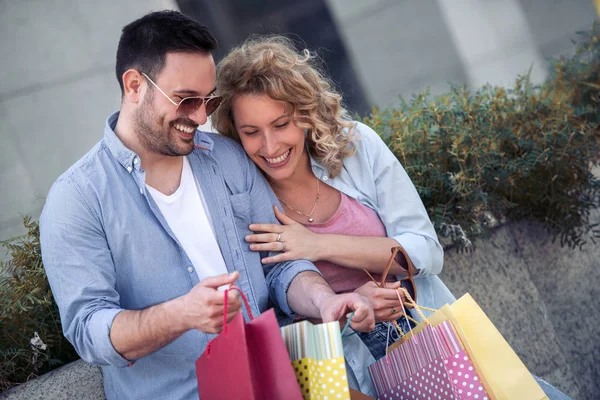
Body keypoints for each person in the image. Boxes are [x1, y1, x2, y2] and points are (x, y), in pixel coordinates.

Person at [211, 35, 572, 400]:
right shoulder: (243, 199)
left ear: (304, 115)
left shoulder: (356, 148)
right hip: (345, 372)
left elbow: (427, 251)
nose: (270, 147)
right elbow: (265, 308)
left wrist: (318, 244)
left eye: (281, 124)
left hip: (429, 334)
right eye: (251, 133)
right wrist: (354, 301)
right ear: (235, 134)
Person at [39, 11, 375, 400]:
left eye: (209, 100)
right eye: (186, 100)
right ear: (134, 86)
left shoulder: (227, 158)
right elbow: (89, 332)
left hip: (287, 379)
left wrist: (325, 300)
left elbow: (281, 265)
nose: (200, 116)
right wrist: (182, 314)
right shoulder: (77, 199)